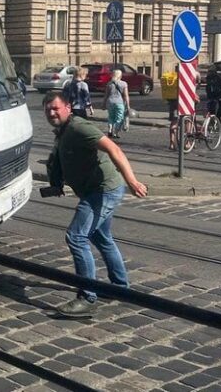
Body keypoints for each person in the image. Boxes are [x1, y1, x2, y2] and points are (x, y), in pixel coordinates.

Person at [43, 92, 147, 318]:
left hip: (103, 191)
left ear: (68, 108)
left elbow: (114, 149)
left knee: (76, 236)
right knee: (101, 237)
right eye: (48, 109)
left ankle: (88, 297)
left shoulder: (79, 127)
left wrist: (132, 181)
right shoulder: (63, 131)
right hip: (92, 190)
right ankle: (119, 288)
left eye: (55, 108)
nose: (51, 113)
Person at [102, 69, 129, 138]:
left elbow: (106, 95)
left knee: (111, 117)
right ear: (120, 75)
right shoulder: (124, 83)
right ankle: (116, 133)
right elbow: (126, 95)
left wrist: (103, 104)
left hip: (110, 102)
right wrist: (128, 105)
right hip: (119, 103)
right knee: (119, 118)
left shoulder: (109, 83)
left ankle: (110, 130)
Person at [160, 65, 180, 149]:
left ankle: (171, 143)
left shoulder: (172, 77)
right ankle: (188, 143)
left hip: (172, 102)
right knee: (187, 122)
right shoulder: (182, 79)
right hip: (180, 103)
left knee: (173, 122)